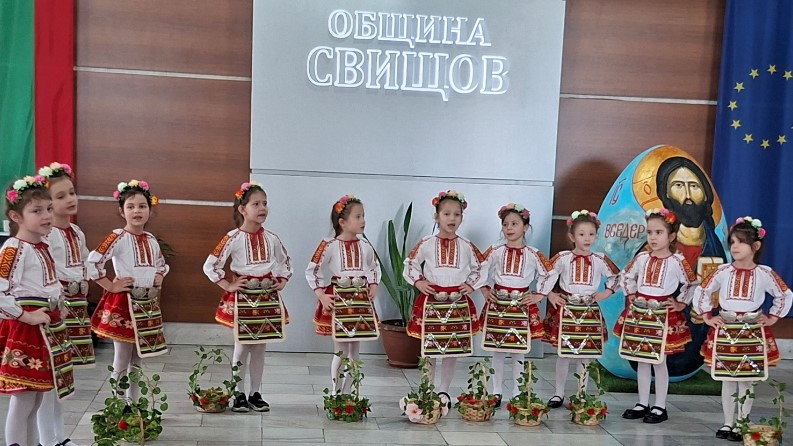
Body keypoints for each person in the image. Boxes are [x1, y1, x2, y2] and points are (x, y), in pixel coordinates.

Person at [693, 216, 792, 441]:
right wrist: (708, 316)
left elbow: (784, 294)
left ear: (755, 246)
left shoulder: (765, 273)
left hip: (751, 332)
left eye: (741, 242)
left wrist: (773, 317)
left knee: (746, 380)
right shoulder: (723, 271)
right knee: (727, 379)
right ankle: (728, 423)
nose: (735, 246)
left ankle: (742, 422)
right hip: (727, 329)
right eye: (732, 242)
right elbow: (703, 290)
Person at [204, 181, 292, 412]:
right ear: (242, 209)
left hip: (266, 298)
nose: (262, 208)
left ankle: (255, 393)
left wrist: (281, 281)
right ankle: (238, 393)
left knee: (260, 348)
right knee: (242, 346)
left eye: (265, 203)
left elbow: (285, 262)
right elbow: (211, 265)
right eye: (256, 204)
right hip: (244, 299)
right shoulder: (232, 238)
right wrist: (227, 284)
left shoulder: (272, 238)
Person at [0, 175, 73, 446]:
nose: (46, 216)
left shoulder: (43, 246)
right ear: (16, 216)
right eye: (36, 211)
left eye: (48, 209)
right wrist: (27, 316)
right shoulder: (13, 249)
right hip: (26, 330)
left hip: (46, 328)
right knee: (23, 400)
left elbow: (50, 284)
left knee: (37, 398)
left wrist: (61, 306)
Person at [614, 208, 697, 424]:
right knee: (642, 360)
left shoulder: (677, 261)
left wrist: (680, 303)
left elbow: (691, 284)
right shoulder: (642, 258)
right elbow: (626, 276)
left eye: (659, 232)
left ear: (671, 236)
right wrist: (632, 294)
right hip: (641, 313)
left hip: (663, 315)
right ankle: (642, 402)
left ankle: (660, 405)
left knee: (659, 361)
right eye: (650, 232)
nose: (653, 237)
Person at [89, 180, 169, 401]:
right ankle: (117, 404)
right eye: (131, 206)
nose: (137, 211)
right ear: (121, 211)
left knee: (137, 357)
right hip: (124, 302)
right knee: (122, 356)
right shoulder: (117, 237)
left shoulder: (151, 240)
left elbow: (161, 264)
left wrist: (160, 276)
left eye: (142, 206)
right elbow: (93, 262)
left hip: (146, 304)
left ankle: (133, 404)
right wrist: (111, 286)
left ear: (150, 210)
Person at [404, 190, 486, 404]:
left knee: (452, 349)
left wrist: (471, 284)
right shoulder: (427, 243)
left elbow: (481, 267)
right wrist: (419, 282)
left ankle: (444, 391)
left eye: (457, 214)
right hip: (432, 301)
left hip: (457, 302)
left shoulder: (466, 245)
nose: (452, 218)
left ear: (462, 217)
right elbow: (410, 264)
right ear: (436, 216)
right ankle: (427, 388)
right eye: (447, 214)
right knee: (429, 348)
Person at [479, 203, 557, 407]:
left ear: (526, 227)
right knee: (497, 350)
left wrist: (539, 294)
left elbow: (549, 273)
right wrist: (485, 289)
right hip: (498, 304)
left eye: (514, 223)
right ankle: (496, 392)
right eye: (505, 224)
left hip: (521, 305)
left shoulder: (533, 253)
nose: (509, 228)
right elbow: (479, 268)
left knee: (518, 351)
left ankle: (516, 392)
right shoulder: (495, 250)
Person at [542, 210, 619, 409]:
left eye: (591, 234)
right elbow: (546, 274)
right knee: (564, 354)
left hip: (589, 310)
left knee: (585, 354)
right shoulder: (563, 258)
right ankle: (558, 393)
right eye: (582, 234)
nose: (587, 238)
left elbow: (617, 277)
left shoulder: (600, 260)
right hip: (567, 309)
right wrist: (551, 295)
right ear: (572, 236)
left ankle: (581, 393)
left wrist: (606, 292)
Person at [38, 163, 90, 446]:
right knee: (49, 377)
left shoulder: (77, 232)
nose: (70, 199)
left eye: (71, 192)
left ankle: (59, 436)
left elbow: (85, 261)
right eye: (60, 196)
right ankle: (47, 440)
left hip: (74, 307)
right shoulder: (45, 236)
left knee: (62, 375)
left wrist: (87, 279)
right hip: (54, 309)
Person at [305, 194, 380, 395]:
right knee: (341, 350)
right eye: (358, 216)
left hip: (359, 301)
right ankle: (336, 393)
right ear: (342, 222)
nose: (363, 221)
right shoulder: (328, 245)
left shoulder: (365, 245)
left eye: (363, 216)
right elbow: (312, 270)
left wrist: (373, 285)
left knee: (355, 350)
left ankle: (349, 393)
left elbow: (374, 266)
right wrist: (321, 294)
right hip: (339, 301)